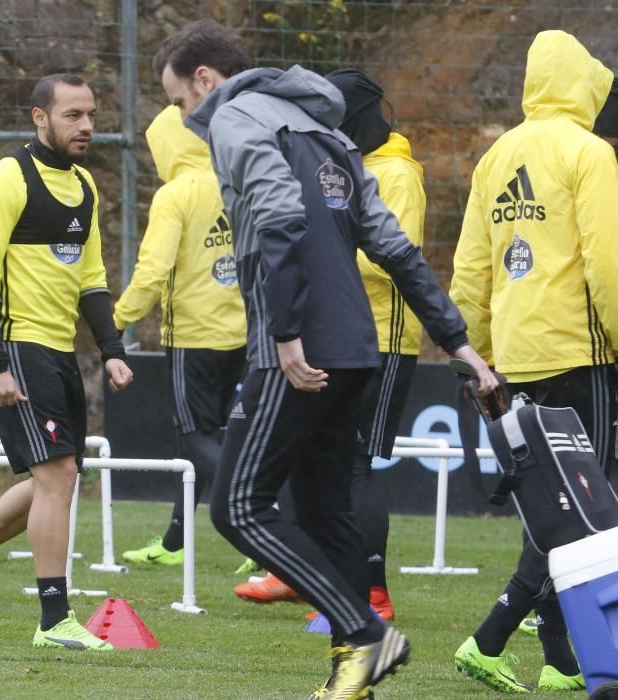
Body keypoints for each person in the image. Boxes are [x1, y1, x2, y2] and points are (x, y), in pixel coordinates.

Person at [154, 19, 496, 698]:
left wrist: (284, 335)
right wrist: (459, 344)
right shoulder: (331, 135)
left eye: (179, 101)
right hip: (357, 348)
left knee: (237, 508)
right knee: (324, 511)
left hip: (299, 349)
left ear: (205, 79)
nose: (182, 117)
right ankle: (353, 670)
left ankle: (364, 633)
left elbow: (279, 218)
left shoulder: (235, 119)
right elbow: (395, 249)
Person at [0, 74, 133, 650]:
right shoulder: (6, 179)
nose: (86, 126)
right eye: (72, 115)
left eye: (91, 115)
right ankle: (54, 620)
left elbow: (92, 279)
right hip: (18, 347)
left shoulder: (84, 186)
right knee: (56, 477)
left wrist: (112, 351)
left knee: (55, 480)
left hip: (60, 351)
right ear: (39, 117)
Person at [450, 33, 618, 694]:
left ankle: (559, 659)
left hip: (515, 356)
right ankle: (491, 636)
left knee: (555, 506)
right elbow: (606, 262)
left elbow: (471, 270)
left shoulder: (495, 157)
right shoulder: (589, 153)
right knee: (583, 511)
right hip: (579, 350)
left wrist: (475, 356)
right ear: (585, 83)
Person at [234, 69, 427, 624]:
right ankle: (298, 571)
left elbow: (396, 257)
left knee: (354, 464)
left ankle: (373, 592)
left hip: (380, 338)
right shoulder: (340, 164)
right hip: (331, 334)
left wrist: (321, 252)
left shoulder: (397, 174)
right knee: (305, 452)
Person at [114, 105, 246, 567]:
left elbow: (153, 269)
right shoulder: (238, 183)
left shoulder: (176, 194)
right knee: (200, 438)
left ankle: (261, 517)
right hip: (242, 335)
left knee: (195, 439)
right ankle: (175, 540)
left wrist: (118, 319)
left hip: (193, 335)